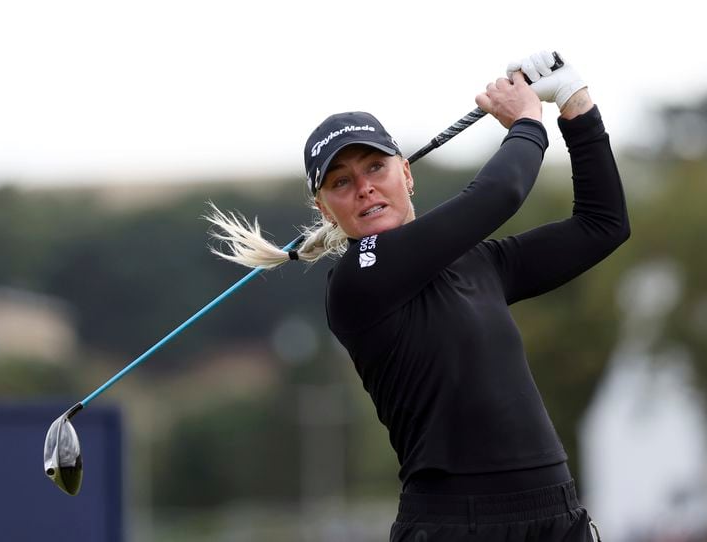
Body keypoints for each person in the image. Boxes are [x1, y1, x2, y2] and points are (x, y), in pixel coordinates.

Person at [207, 50, 628, 541]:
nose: (364, 188)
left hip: (556, 515)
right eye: (342, 181)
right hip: (454, 526)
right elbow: (499, 194)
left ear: (406, 173)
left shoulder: (480, 264)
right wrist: (527, 121)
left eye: (375, 167)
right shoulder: (357, 280)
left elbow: (603, 225)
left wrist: (575, 103)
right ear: (324, 207)